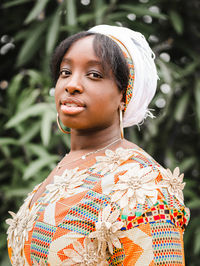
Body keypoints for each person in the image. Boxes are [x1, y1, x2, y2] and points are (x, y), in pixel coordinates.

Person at [6, 25, 190, 265]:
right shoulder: (68, 165)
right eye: (65, 72)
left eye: (94, 74)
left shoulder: (141, 183)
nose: (72, 84)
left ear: (124, 94)